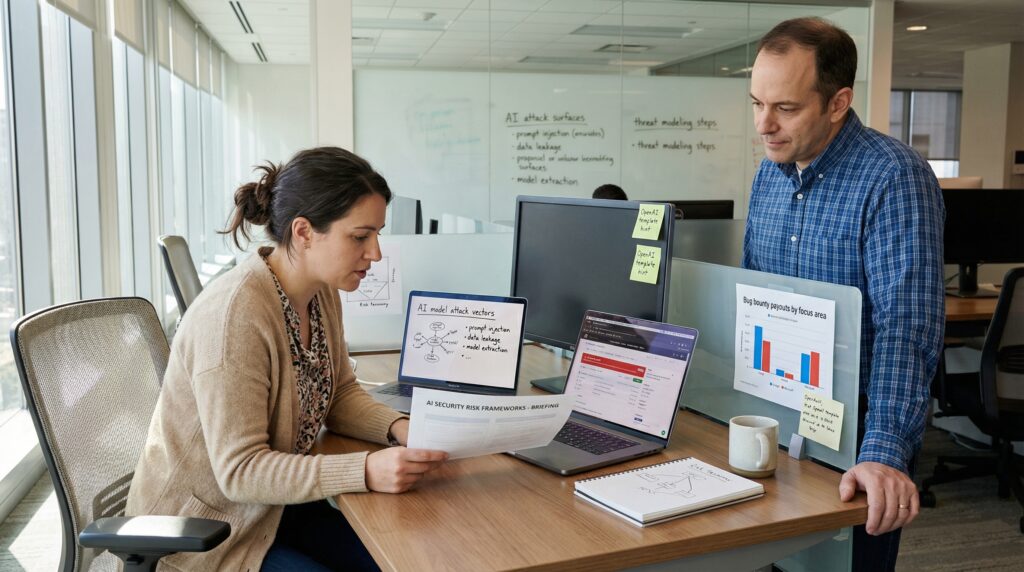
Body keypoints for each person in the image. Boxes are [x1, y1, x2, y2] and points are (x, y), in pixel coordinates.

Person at [126, 147, 449, 571]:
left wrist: (400, 429)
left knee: (405, 556)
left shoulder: (320, 291)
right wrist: (365, 470)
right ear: (303, 232)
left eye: (377, 235)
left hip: (272, 510)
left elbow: (339, 394)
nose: (376, 254)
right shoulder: (236, 317)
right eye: (360, 236)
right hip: (207, 535)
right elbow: (240, 471)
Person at [743, 17, 944, 571]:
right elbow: (753, 296)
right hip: (778, 426)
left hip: (855, 441)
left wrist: (883, 455)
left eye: (785, 108)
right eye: (757, 103)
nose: (765, 124)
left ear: (838, 103)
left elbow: (906, 327)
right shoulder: (770, 174)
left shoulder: (892, 178)